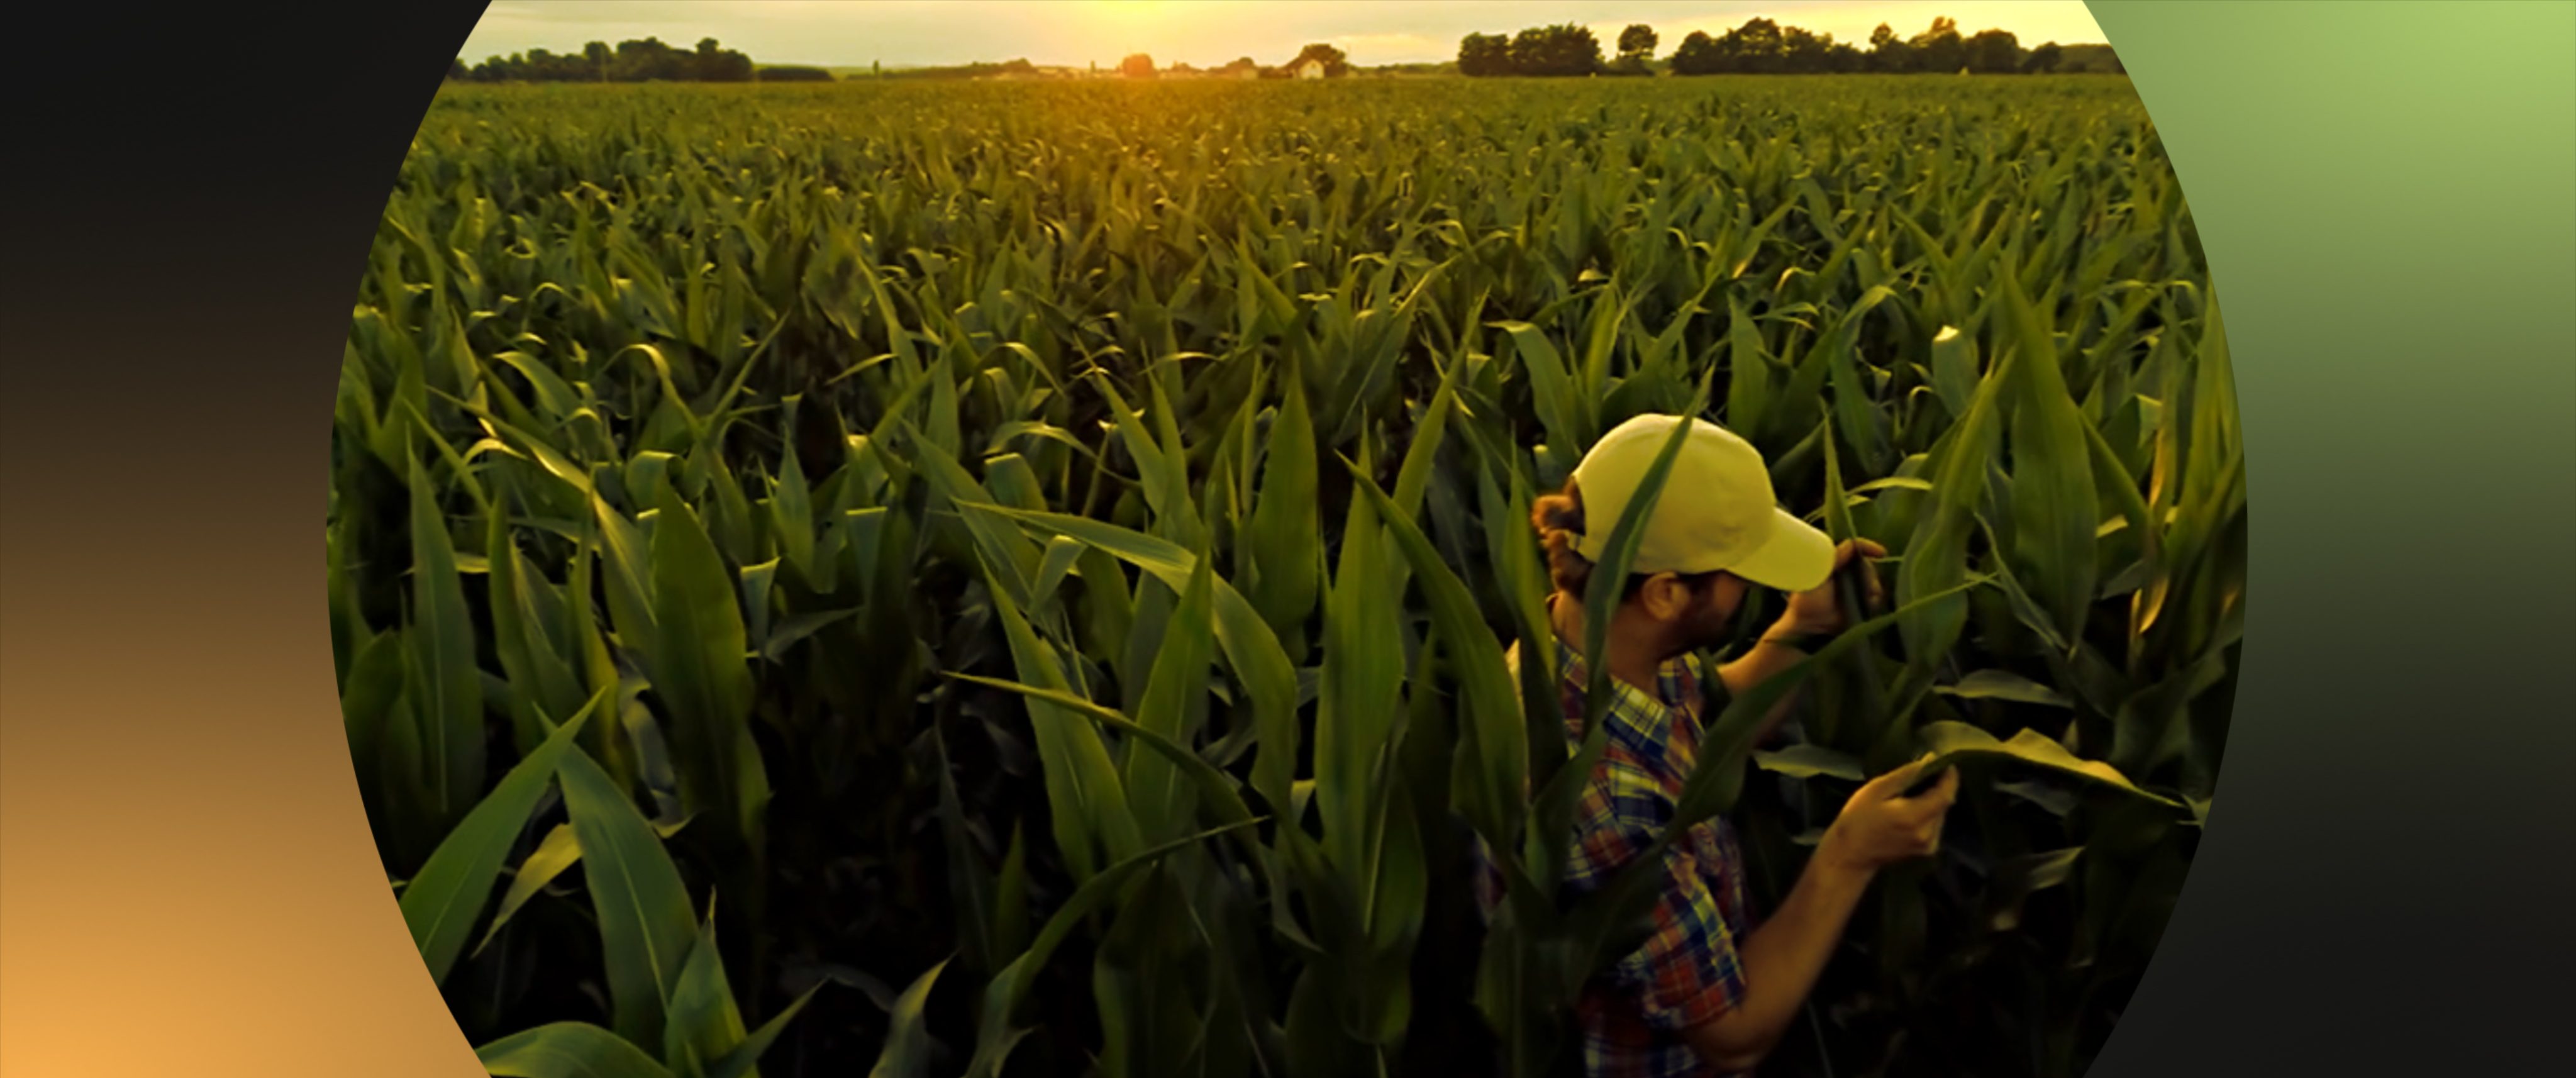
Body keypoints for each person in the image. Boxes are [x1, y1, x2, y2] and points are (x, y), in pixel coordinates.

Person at [1470, 413, 1962, 1078]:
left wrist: (1800, 629)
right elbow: (1732, 1036)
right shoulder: (1597, 797)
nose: (1753, 586)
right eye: (1738, 571)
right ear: (1665, 593)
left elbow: (1704, 724)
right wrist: (1850, 852)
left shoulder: (1581, 638)